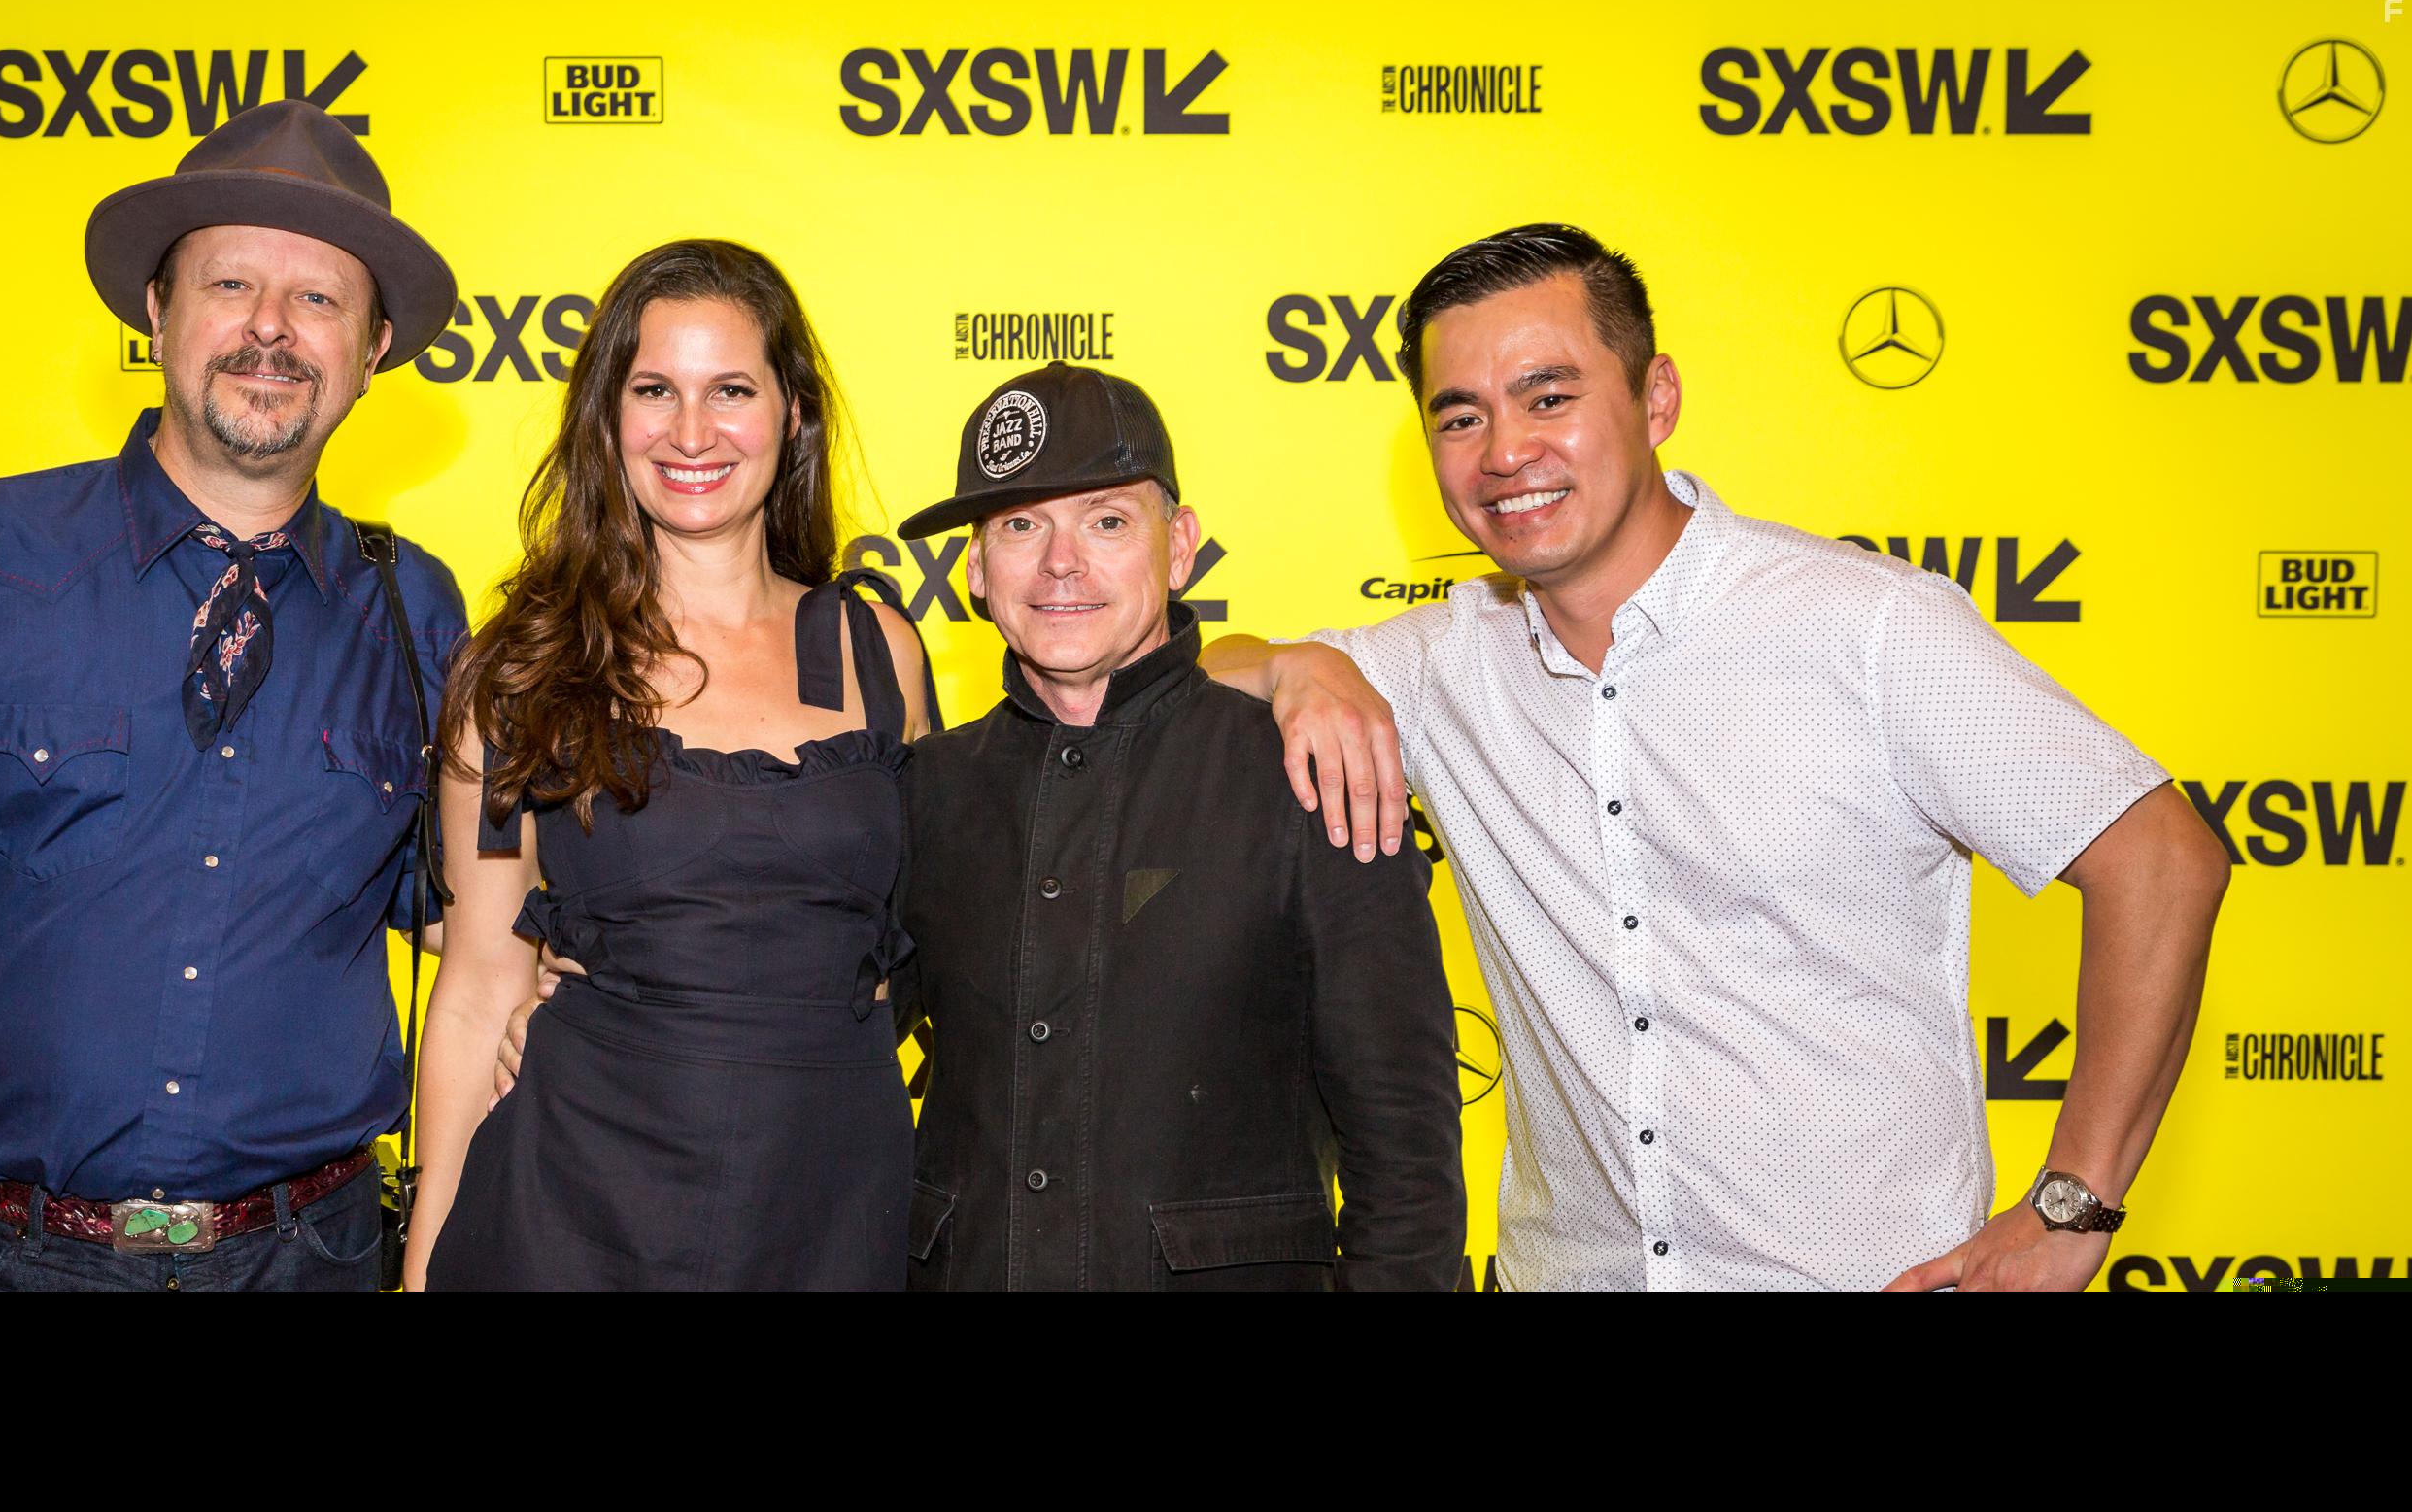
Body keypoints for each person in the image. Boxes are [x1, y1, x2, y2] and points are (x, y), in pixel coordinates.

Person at [1204, 223, 2229, 1291]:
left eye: (1549, 397)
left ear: (1656, 402)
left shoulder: (1868, 628)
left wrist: (2071, 1207)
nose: (1505, 451)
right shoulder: (1439, 665)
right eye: (1461, 415)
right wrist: (1292, 666)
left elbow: (2160, 859)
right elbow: (1196, 687)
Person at [0, 101, 465, 1291]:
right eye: (231, 283)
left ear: (375, 349)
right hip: (14, 1261)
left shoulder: (420, 610)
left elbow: (473, 929)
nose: (272, 331)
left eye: (321, 300)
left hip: (322, 1257)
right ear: (157, 311)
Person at [406, 241, 936, 1292]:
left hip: (832, 1204)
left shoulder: (880, 651)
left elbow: (930, 940)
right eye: (655, 390)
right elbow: (474, 993)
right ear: (608, 417)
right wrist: (423, 1265)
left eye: (730, 390)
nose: (692, 432)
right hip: (576, 1206)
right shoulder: (519, 668)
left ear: (793, 414)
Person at [888, 365, 1464, 1289]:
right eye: (1020, 526)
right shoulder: (928, 791)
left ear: (1180, 545)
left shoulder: (1307, 773)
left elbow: (1407, 1150)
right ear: (974, 569)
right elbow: (824, 1044)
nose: (1060, 563)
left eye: (1107, 521)